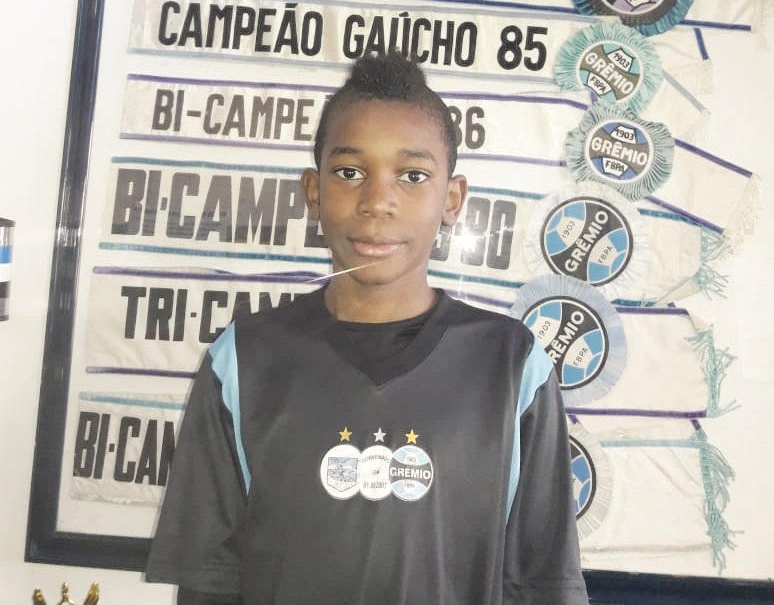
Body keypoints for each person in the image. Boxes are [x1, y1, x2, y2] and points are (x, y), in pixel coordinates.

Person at [145, 51, 588, 605]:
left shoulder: (511, 364)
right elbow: (208, 585)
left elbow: (543, 584)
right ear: (313, 192)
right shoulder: (244, 359)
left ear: (452, 199)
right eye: (350, 173)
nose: (378, 202)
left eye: (412, 176)